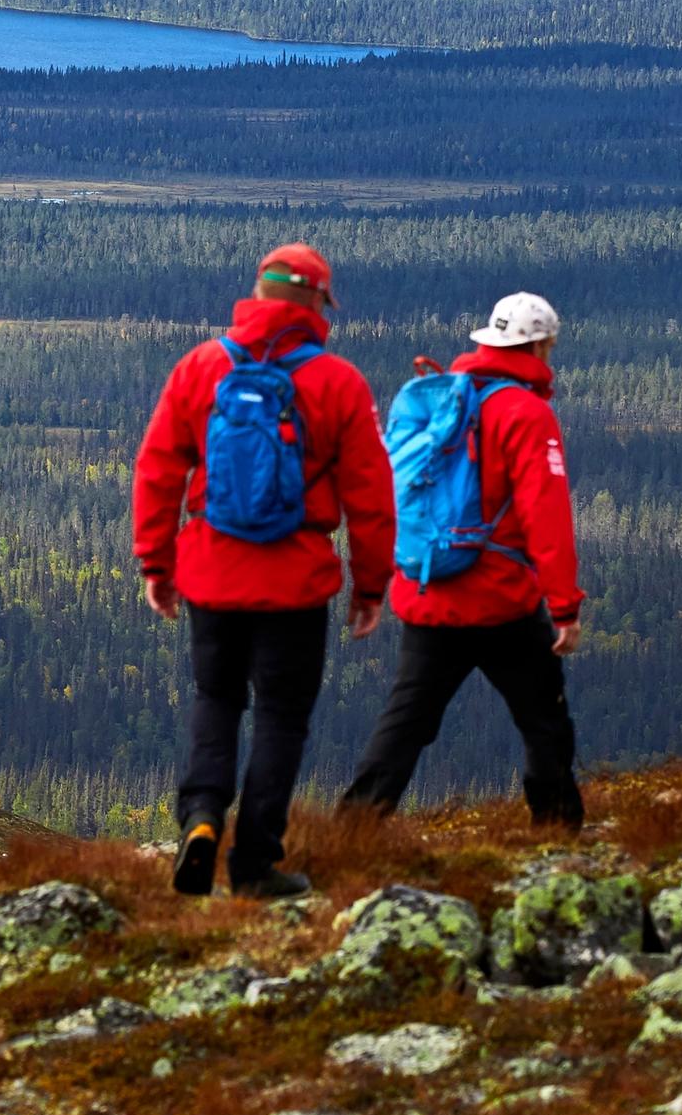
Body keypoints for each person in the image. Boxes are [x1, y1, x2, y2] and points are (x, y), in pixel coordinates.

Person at [133, 243, 395, 899]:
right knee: (281, 717)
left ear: (257, 293)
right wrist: (370, 587)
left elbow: (158, 469)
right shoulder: (338, 382)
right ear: (317, 303)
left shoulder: (200, 367)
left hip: (210, 572)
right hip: (295, 583)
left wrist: (157, 565)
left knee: (216, 699)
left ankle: (200, 817)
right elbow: (370, 497)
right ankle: (252, 864)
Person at [340, 291, 586, 829]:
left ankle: (352, 831)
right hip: (502, 602)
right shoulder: (527, 413)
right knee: (544, 721)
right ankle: (557, 833)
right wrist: (564, 607)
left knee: (405, 723)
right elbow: (546, 515)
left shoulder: (439, 399)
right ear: (539, 345)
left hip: (429, 592)